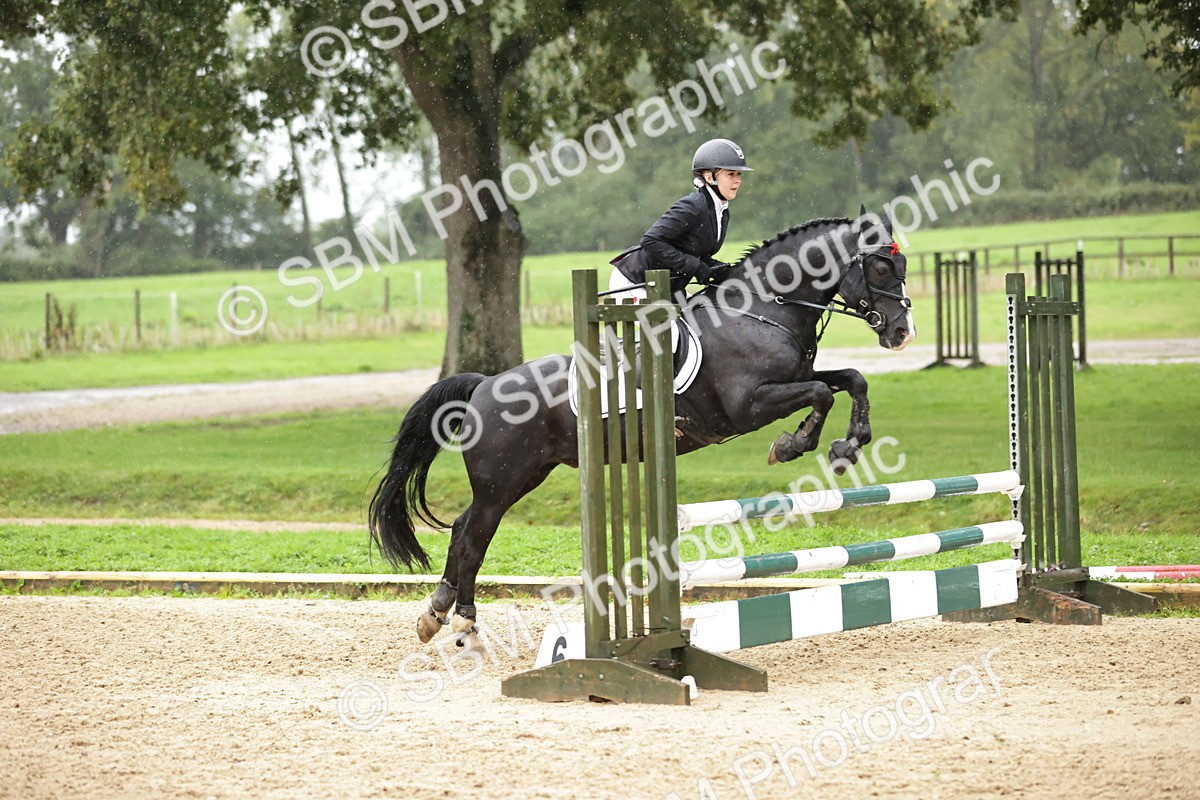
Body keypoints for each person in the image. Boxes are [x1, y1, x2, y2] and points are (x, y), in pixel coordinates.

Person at [609, 138, 751, 302]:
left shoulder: (722, 211)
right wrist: (695, 267)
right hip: (635, 281)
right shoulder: (693, 206)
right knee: (668, 327)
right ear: (709, 176)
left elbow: (693, 251)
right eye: (730, 174)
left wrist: (718, 268)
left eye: (739, 174)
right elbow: (651, 240)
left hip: (667, 287)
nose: (737, 180)